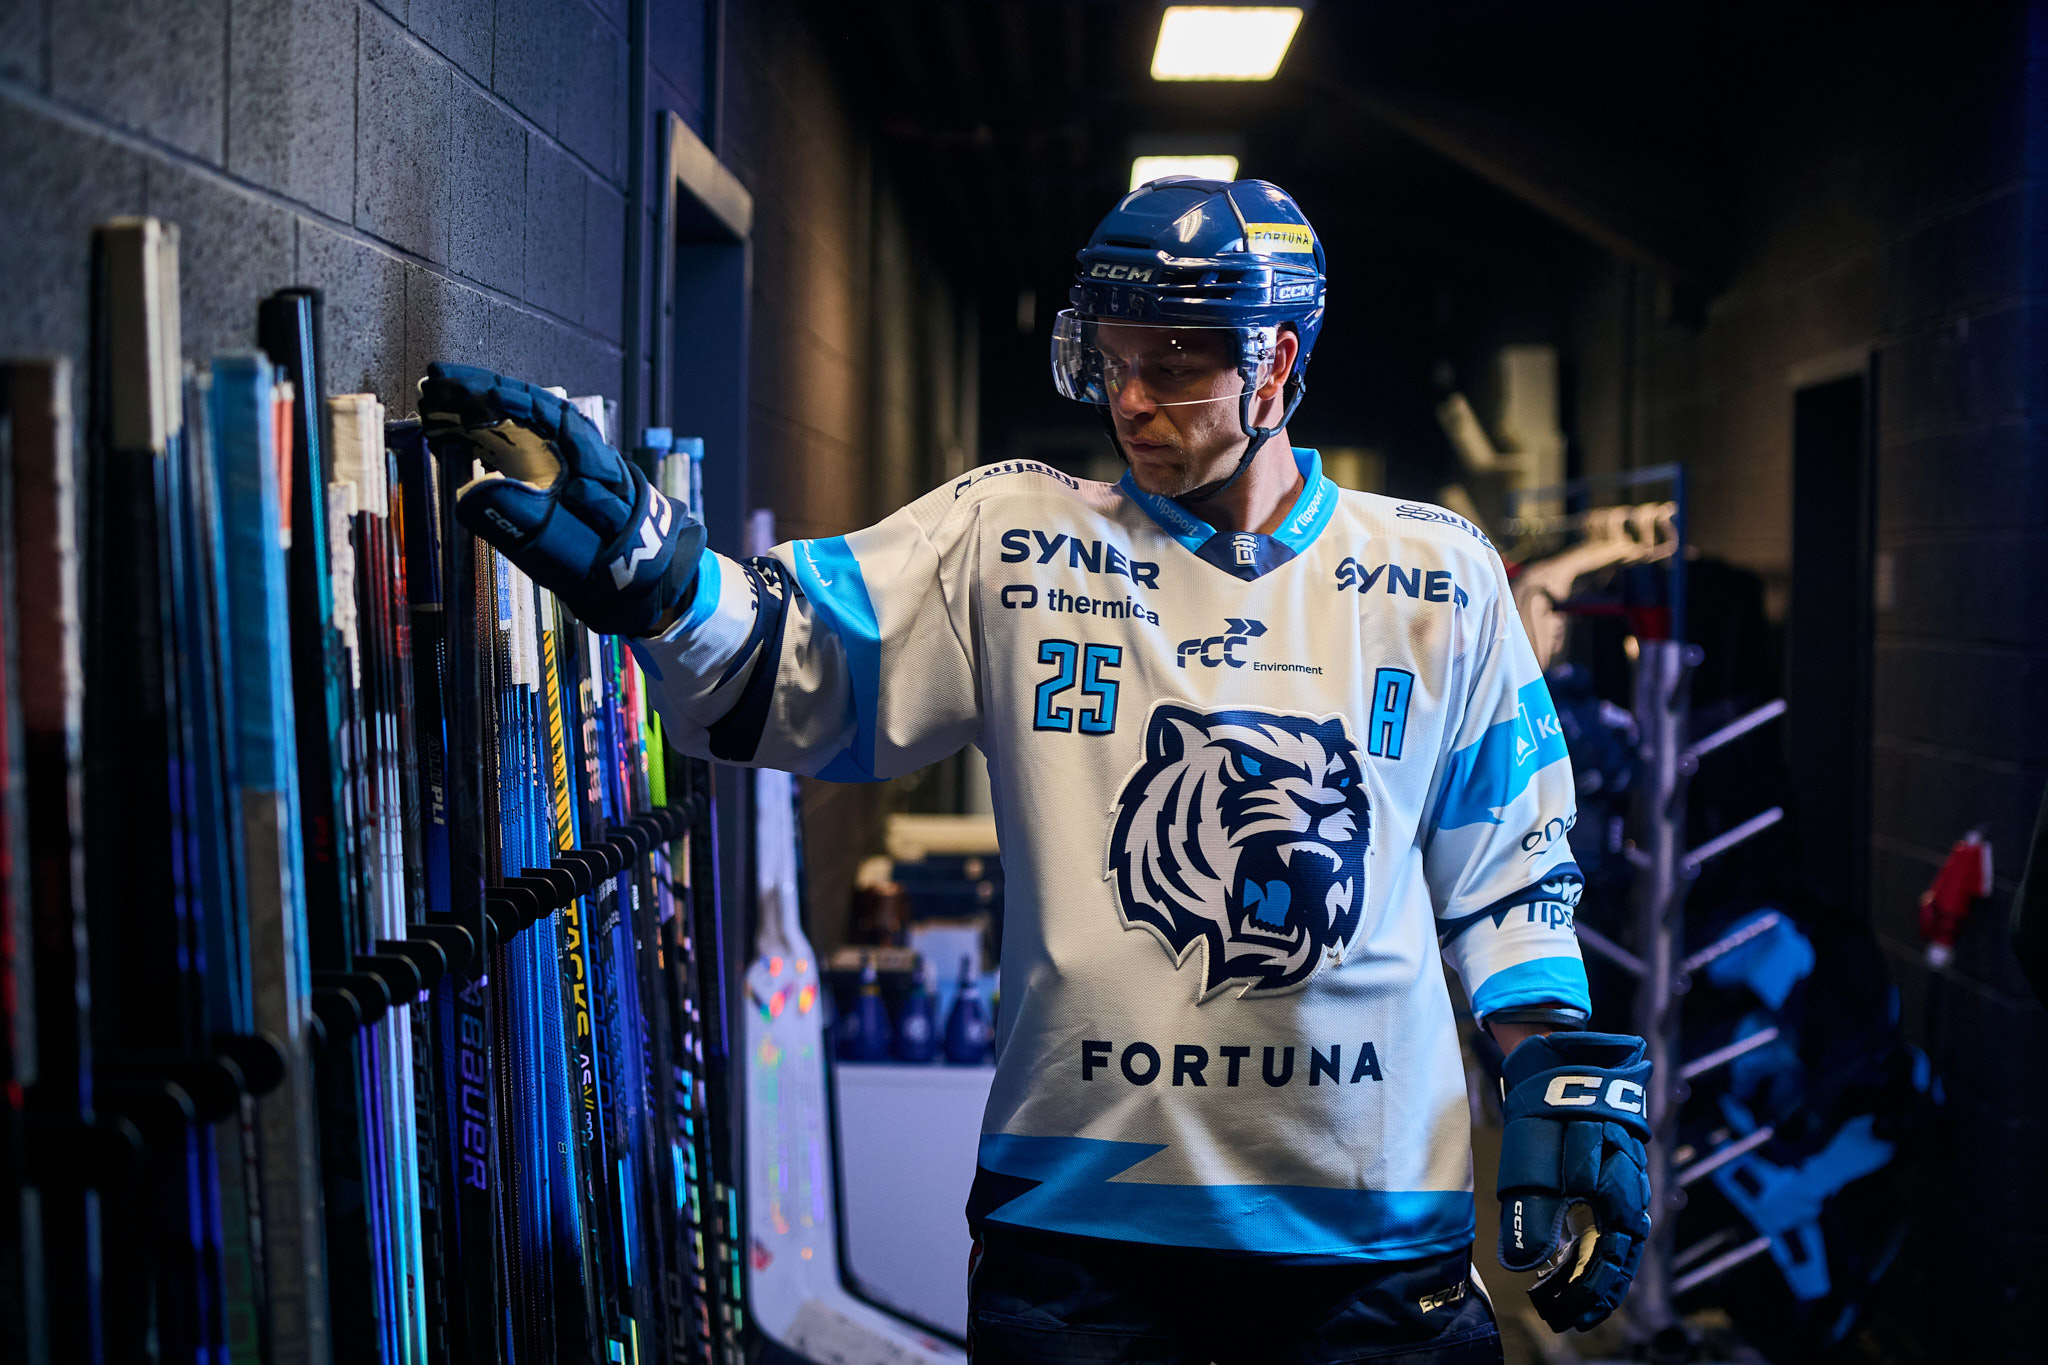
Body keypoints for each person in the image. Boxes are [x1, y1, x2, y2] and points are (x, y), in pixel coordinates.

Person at [420, 177, 1652, 1364]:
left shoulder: (1438, 572)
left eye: (1171, 364)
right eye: (1109, 359)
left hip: (1371, 1234)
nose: (1129, 401)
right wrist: (664, 587)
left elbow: (1506, 871)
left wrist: (1547, 1058)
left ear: (1273, 365)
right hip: (1078, 1237)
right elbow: (787, 667)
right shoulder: (1009, 537)